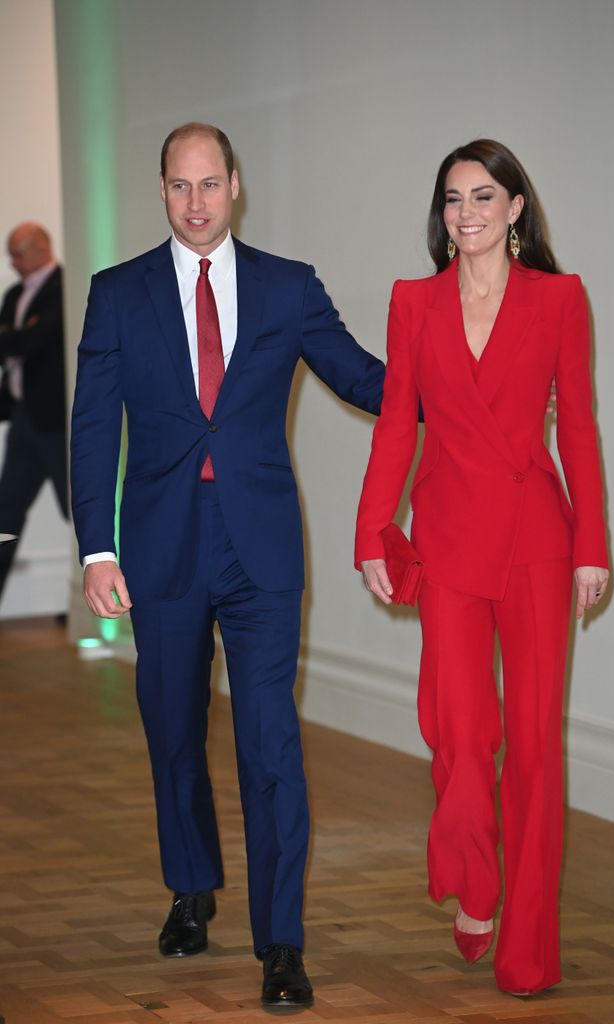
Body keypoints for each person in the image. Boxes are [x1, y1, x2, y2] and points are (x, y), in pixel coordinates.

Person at [70, 123, 385, 1011]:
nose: (196, 202)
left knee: (269, 744)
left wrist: (460, 389)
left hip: (261, 546)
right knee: (172, 733)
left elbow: (361, 378)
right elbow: (94, 424)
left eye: (211, 184)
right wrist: (97, 548)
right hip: (162, 543)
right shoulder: (118, 294)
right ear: (161, 190)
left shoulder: (288, 287)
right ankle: (191, 885)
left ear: (235, 185)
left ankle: (280, 941)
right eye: (180, 186)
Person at [355, 139, 609, 997]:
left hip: (538, 539)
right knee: (459, 733)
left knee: (534, 749)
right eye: (453, 199)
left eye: (483, 197)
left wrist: (592, 547)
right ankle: (477, 876)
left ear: (515, 210)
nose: (466, 213)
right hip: (450, 540)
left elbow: (575, 425)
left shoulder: (558, 299)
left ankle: (528, 951)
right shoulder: (412, 301)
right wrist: (370, 530)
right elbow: (397, 423)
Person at [0, 223, 67, 605]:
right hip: (23, 417)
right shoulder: (13, 295)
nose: (12, 262)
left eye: (18, 253)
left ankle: (90, 593)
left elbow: (33, 341)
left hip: (55, 422)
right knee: (5, 513)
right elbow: (9, 344)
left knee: (76, 509)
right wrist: (18, 339)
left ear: (41, 248)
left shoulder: (64, 288)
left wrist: (17, 338)